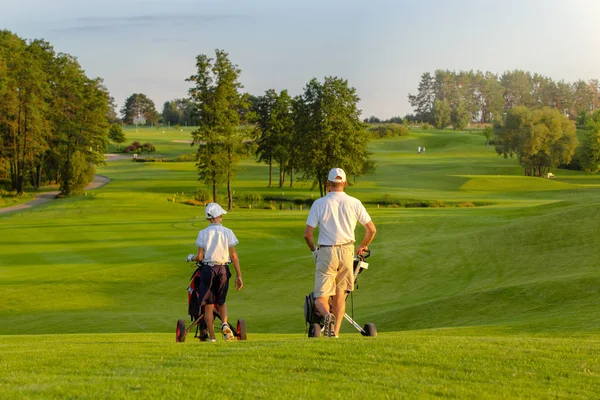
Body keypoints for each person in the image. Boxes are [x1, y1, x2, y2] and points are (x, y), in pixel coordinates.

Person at [303, 168, 376, 337]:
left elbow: (307, 234)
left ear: (328, 184)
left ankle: (327, 316)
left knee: (320, 297)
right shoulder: (355, 203)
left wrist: (314, 251)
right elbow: (371, 230)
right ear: (345, 183)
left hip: (327, 252)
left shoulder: (319, 204)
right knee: (340, 294)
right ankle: (334, 333)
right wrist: (362, 246)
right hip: (347, 251)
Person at [186, 203, 243, 342]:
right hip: (223, 269)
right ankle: (224, 324)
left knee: (209, 305)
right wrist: (239, 275)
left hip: (207, 270)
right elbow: (233, 255)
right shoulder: (228, 232)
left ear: (208, 218)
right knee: (221, 302)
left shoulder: (202, 233)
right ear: (218, 216)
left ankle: (212, 337)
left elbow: (199, 257)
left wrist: (190, 258)